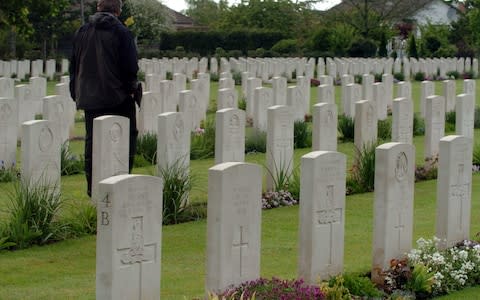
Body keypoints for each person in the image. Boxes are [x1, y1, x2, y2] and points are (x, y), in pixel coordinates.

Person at [69, 0, 140, 197]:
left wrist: (76, 92)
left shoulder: (82, 31)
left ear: (98, 8)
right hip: (117, 96)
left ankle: (94, 188)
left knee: (93, 142)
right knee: (126, 139)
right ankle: (121, 181)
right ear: (118, 10)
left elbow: (73, 65)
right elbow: (130, 67)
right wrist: (131, 90)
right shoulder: (121, 31)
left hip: (90, 97)